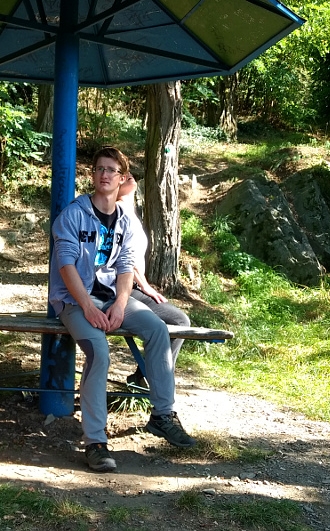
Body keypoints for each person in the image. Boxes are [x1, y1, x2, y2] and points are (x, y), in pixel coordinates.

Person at [48, 147, 196, 473]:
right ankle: (95, 442)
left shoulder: (125, 219)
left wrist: (119, 304)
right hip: (74, 301)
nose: (104, 174)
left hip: (112, 297)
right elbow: (66, 266)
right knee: (99, 351)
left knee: (158, 329)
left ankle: (162, 415)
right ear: (92, 175)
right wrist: (88, 307)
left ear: (122, 178)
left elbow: (127, 266)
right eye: (99, 168)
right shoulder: (73, 215)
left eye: (111, 170)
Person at [116, 173, 192, 387]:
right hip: (123, 288)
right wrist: (145, 286)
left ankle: (148, 377)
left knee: (180, 321)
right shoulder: (119, 211)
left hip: (133, 286)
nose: (128, 176)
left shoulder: (129, 210)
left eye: (127, 172)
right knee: (178, 322)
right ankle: (155, 380)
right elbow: (124, 257)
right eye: (120, 175)